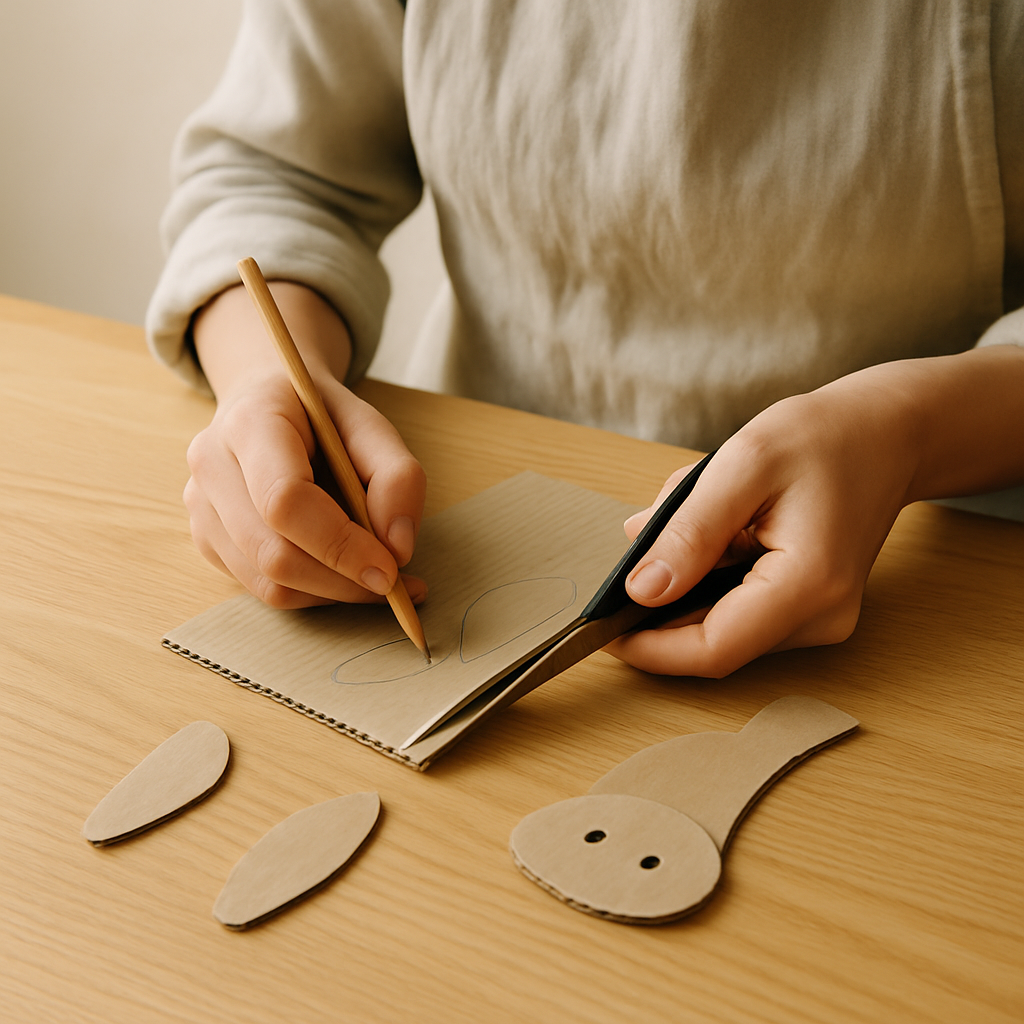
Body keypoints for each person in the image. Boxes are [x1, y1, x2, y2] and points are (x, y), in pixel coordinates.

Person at [147, 1, 1024, 678]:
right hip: (462, 510)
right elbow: (277, 176)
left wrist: (910, 429)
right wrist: (267, 385)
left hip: (948, 566)